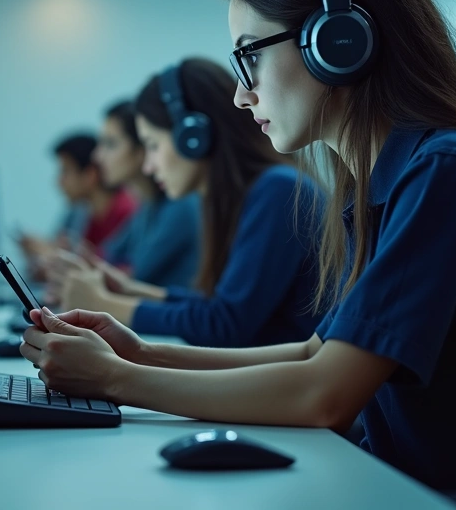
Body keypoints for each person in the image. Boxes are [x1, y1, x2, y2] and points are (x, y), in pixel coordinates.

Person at [21, 0, 456, 509]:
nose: (241, 93)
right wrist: (139, 352)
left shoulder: (446, 170)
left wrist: (116, 379)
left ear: (338, 40)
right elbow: (315, 353)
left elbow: (326, 395)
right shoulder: (377, 182)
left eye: (251, 57)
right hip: (407, 481)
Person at [54, 58, 324, 348]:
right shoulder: (240, 197)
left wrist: (104, 305)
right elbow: (218, 304)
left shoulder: (278, 189)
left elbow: (226, 324)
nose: (148, 166)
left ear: (194, 137)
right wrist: (130, 290)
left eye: (153, 145)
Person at [89, 100, 201, 288]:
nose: (97, 157)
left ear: (141, 149)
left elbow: (133, 277)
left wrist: (87, 268)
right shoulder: (147, 205)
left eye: (110, 144)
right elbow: (107, 256)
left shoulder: (181, 204)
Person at [17, 133, 138, 267]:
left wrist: (53, 256)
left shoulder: (127, 212)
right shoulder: (80, 212)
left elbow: (115, 268)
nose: (58, 182)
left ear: (90, 175)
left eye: (65, 171)